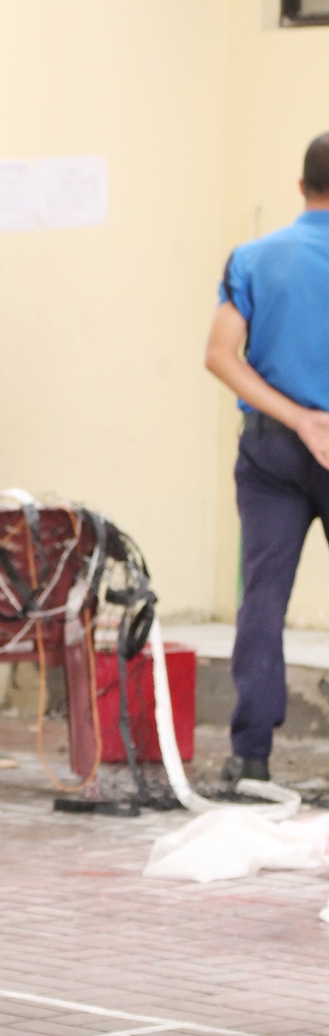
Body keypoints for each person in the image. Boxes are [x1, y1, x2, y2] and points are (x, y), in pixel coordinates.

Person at [205, 134, 329, 788]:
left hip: (273, 447)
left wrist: (299, 418)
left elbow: (219, 355)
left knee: (263, 597)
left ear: (300, 185)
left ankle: (249, 758)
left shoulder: (253, 257)